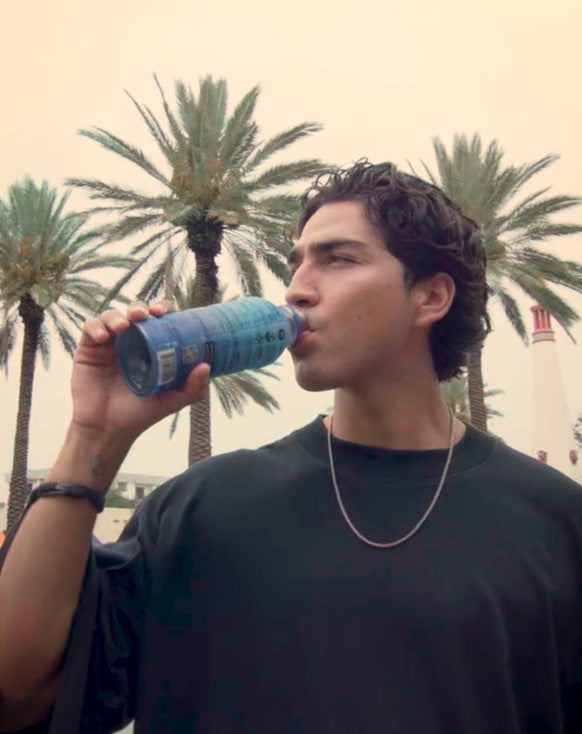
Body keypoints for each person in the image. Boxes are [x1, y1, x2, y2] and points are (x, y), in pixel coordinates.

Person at [1, 161, 581, 734]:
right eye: (296, 263)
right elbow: (17, 694)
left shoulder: (556, 523)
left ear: (429, 297)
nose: (298, 288)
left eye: (339, 259)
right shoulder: (201, 509)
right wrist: (94, 435)